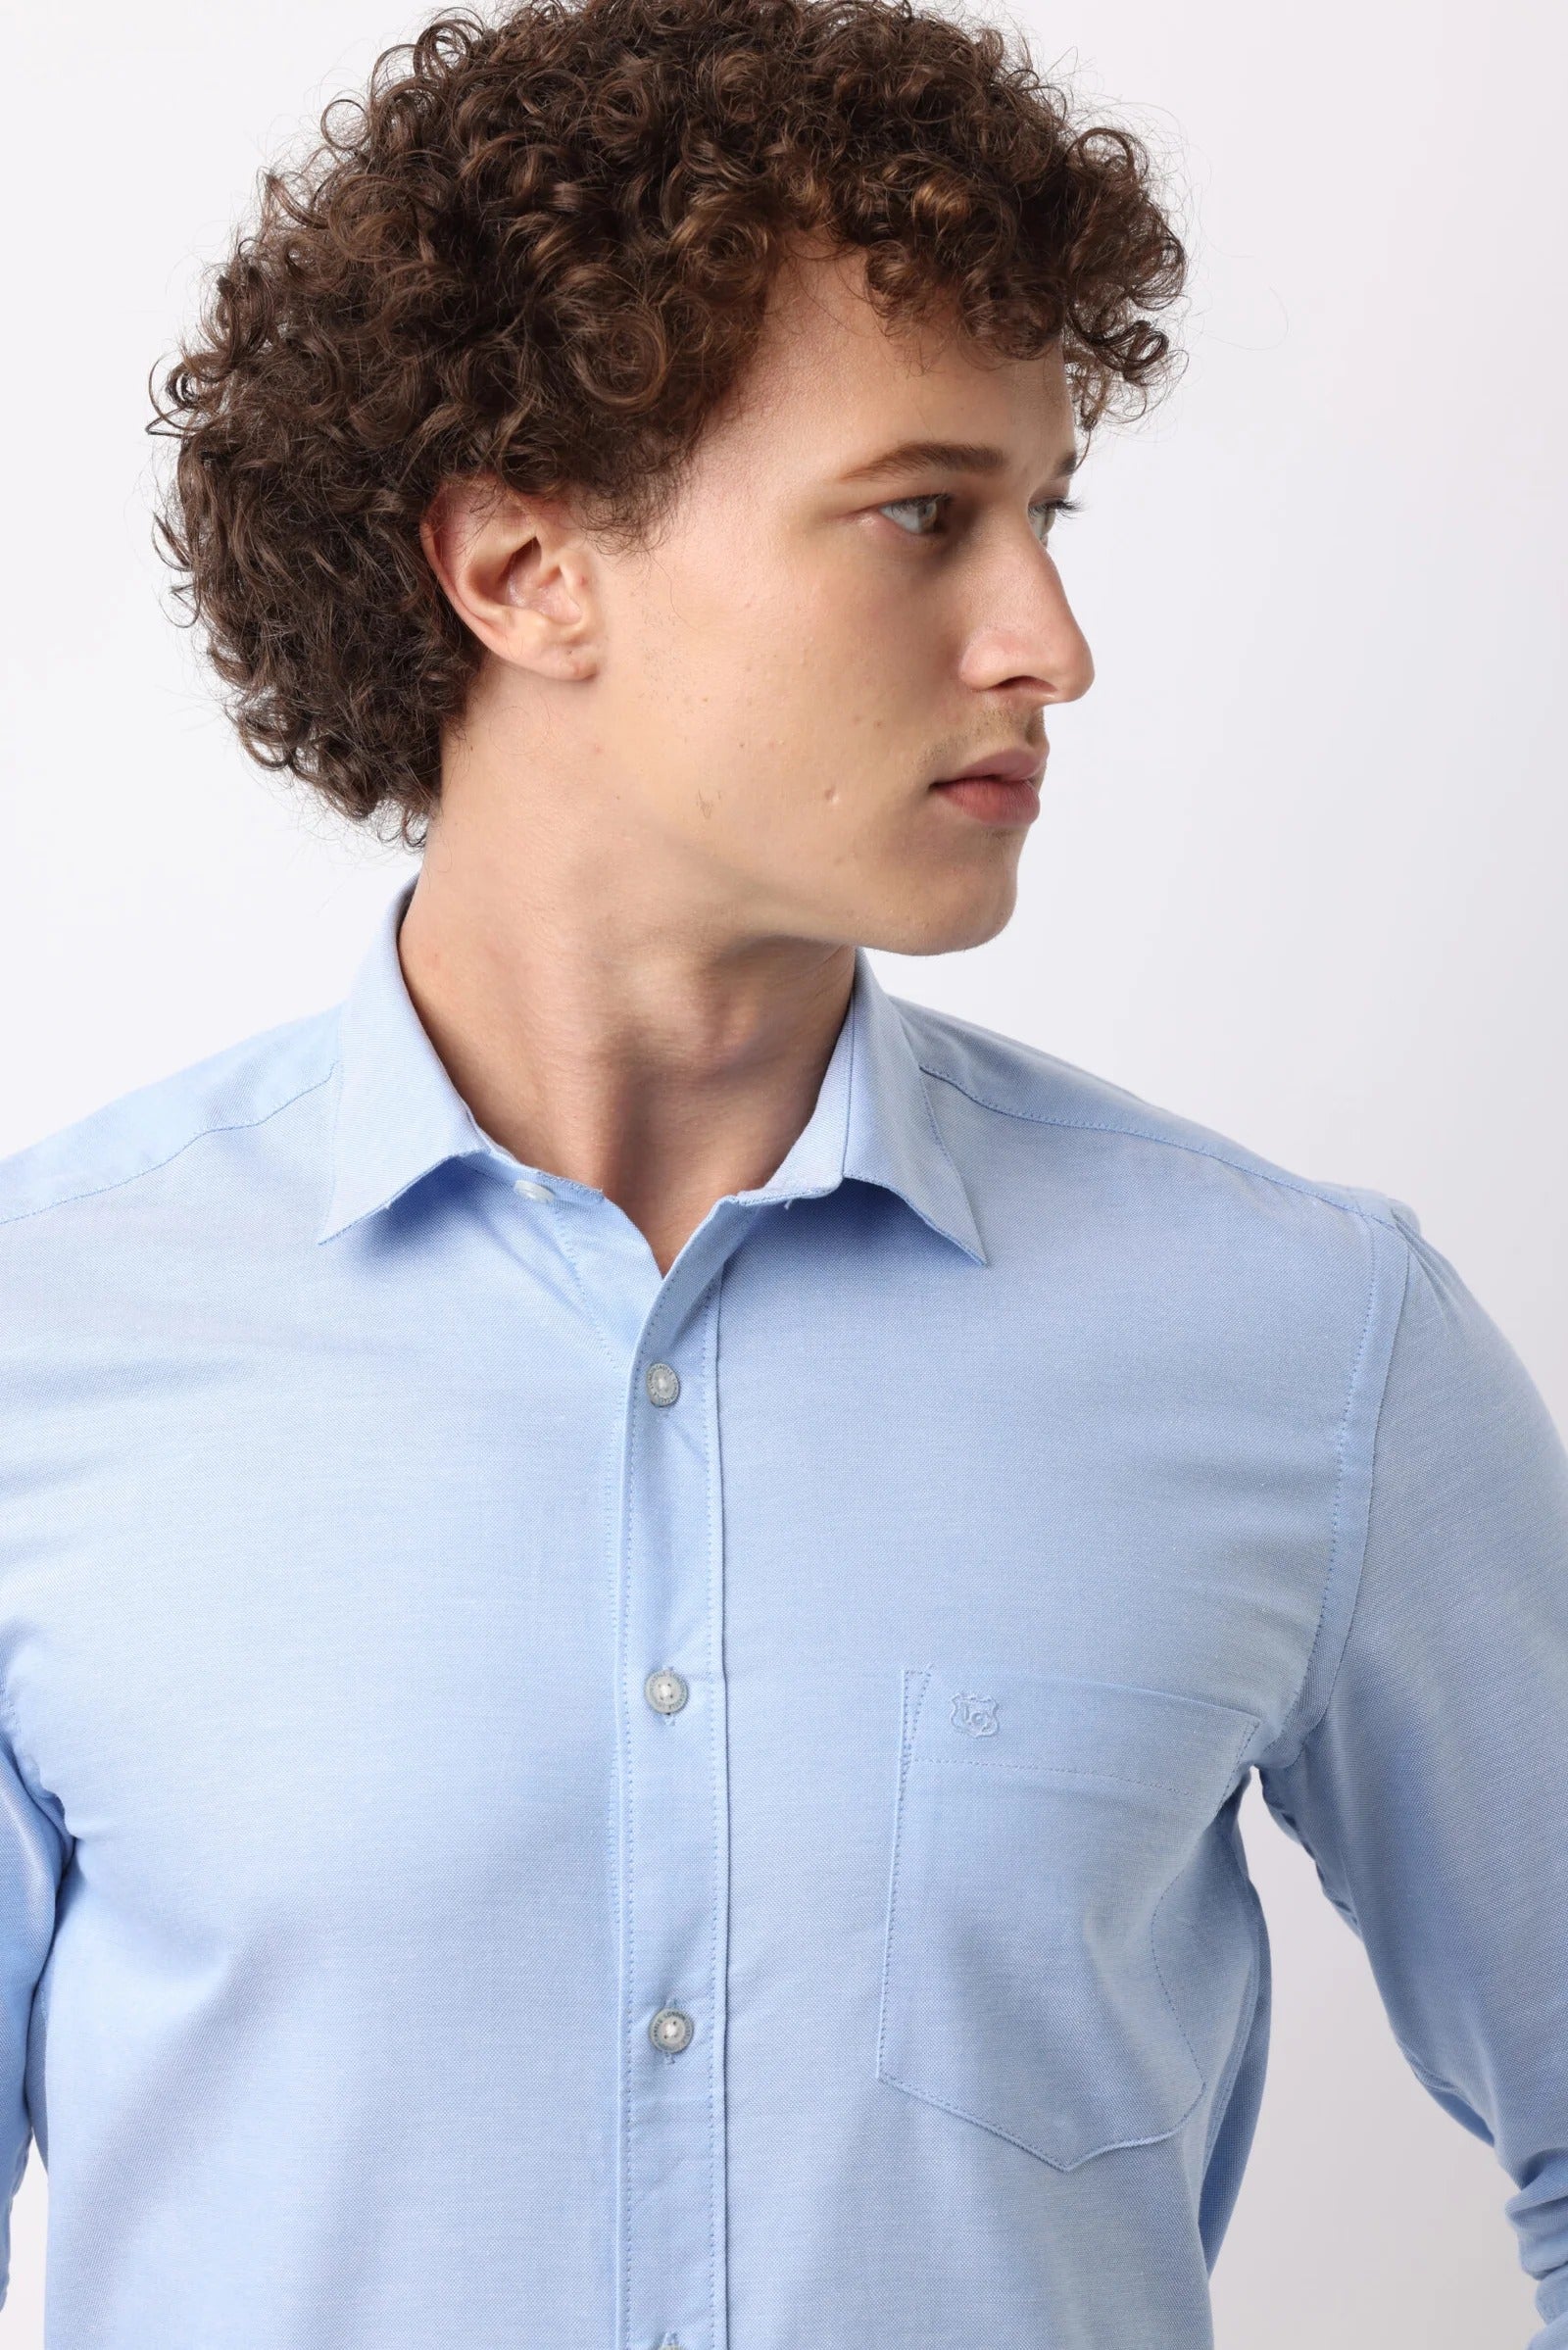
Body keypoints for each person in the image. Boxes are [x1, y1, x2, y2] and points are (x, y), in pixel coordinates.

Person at [2, 0, 1565, 2341]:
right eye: (922, 513)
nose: (1047, 642)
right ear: (523, 565)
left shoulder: (1307, 1341)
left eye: (1042, 515)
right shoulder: (49, 1349)